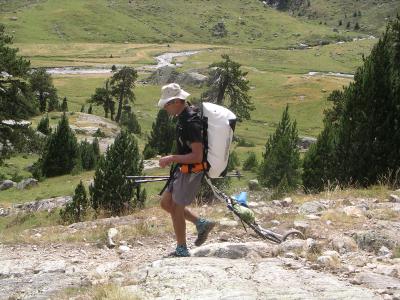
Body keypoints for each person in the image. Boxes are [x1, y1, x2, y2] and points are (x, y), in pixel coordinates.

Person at [157, 83, 216, 257]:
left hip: (191, 170)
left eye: (167, 104)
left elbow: (197, 156)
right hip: (182, 168)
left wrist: (172, 158)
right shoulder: (184, 117)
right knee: (166, 203)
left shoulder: (191, 122)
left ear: (176, 101)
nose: (165, 108)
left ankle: (181, 248)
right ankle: (201, 224)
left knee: (175, 207)